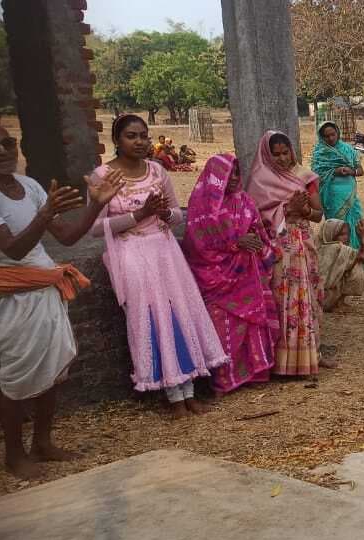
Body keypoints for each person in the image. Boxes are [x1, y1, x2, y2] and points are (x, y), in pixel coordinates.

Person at [0, 122, 121, 478]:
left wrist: (95, 204)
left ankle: (42, 443)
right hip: (12, 295)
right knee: (16, 374)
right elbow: (13, 250)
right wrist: (43, 215)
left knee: (55, 368)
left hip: (45, 288)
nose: (1, 151)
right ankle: (14, 455)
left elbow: (69, 236)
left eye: (7, 143)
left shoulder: (29, 186)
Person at [92, 114, 228, 415]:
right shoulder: (102, 175)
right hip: (132, 253)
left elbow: (177, 215)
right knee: (152, 318)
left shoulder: (156, 170)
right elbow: (95, 227)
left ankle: (190, 392)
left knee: (180, 313)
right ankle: (173, 396)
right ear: (116, 140)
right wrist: (139, 215)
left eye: (143, 135)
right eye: (131, 136)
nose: (139, 141)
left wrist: (164, 213)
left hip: (165, 251)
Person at [180, 153, 279, 396]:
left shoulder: (245, 201)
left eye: (237, 172)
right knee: (222, 326)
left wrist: (256, 241)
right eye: (228, 173)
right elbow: (197, 244)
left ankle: (254, 373)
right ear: (215, 177)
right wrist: (236, 242)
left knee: (251, 324)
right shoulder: (201, 206)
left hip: (247, 274)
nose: (234, 178)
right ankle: (224, 380)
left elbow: (258, 230)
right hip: (216, 277)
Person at [249, 130, 328, 378]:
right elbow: (257, 220)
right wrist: (286, 212)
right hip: (279, 246)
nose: (282, 159)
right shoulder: (259, 180)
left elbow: (318, 214)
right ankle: (283, 362)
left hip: (304, 242)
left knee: (309, 296)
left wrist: (301, 210)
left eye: (286, 152)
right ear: (267, 155)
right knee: (283, 299)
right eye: (276, 154)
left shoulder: (303, 175)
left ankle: (312, 354)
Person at [312, 121, 364, 282]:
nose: (330, 138)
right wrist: (334, 171)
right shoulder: (319, 153)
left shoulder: (348, 150)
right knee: (339, 232)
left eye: (333, 134)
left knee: (358, 228)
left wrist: (350, 171)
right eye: (326, 136)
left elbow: (360, 171)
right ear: (321, 137)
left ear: (338, 133)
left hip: (351, 197)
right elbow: (315, 176)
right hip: (332, 199)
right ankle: (340, 270)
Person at [317, 217, 364, 311]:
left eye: (348, 234)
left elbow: (359, 255)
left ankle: (338, 302)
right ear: (331, 234)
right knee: (357, 265)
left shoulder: (321, 247)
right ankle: (336, 303)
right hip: (325, 300)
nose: (346, 238)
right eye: (342, 234)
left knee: (352, 262)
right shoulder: (337, 248)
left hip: (317, 298)